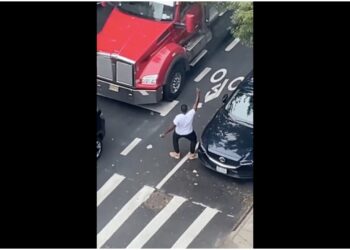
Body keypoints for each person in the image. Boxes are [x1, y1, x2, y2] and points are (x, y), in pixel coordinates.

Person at [160, 88, 200, 160]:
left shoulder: (178, 117)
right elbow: (196, 104)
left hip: (178, 133)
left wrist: (165, 133)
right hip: (189, 132)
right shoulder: (191, 114)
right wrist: (198, 94)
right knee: (193, 140)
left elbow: (172, 126)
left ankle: (177, 154)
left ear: (181, 110)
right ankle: (192, 154)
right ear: (187, 109)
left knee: (175, 140)